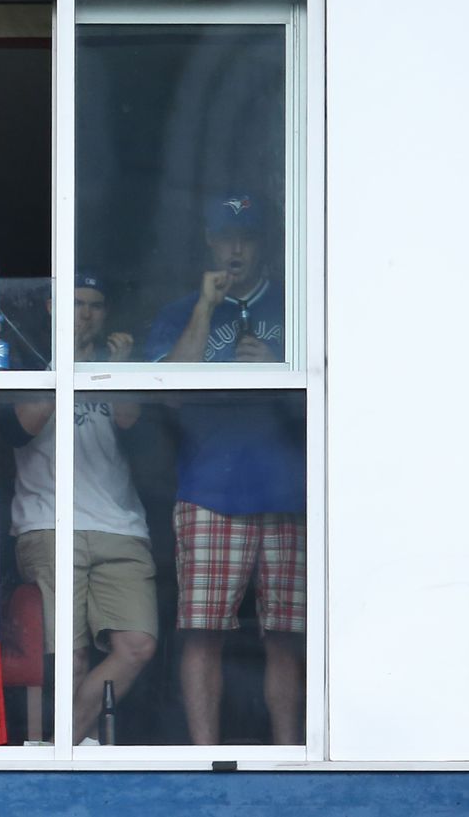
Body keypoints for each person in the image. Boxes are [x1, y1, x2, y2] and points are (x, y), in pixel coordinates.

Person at [144, 193, 306, 746]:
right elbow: (165, 392)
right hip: (209, 490)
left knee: (288, 634)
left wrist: (277, 371)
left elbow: (330, 400)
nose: (236, 248)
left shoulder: (297, 308)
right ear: (209, 242)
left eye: (247, 238)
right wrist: (206, 307)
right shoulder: (182, 310)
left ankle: (292, 753)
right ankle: (203, 757)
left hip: (288, 492)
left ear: (262, 246)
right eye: (226, 237)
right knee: (202, 632)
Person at [9, 273, 157, 745]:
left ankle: (64, 747)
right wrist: (64, 360)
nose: (86, 314)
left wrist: (118, 367)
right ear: (53, 310)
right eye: (75, 304)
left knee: (136, 645)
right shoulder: (31, 360)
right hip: (50, 522)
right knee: (69, 656)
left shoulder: (115, 361)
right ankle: (74, 756)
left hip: (120, 523)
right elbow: (28, 422)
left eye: (95, 305)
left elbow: (131, 419)